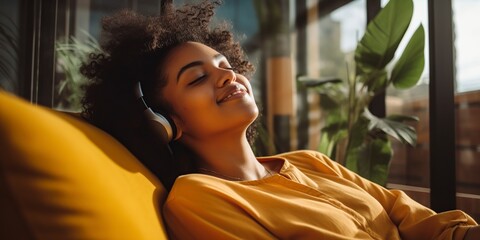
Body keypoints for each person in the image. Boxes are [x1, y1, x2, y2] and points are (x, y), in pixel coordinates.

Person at [80, 0, 479, 239]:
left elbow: (419, 220)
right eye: (198, 77)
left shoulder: (311, 161)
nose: (227, 76)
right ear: (164, 121)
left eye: (225, 64)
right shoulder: (199, 198)